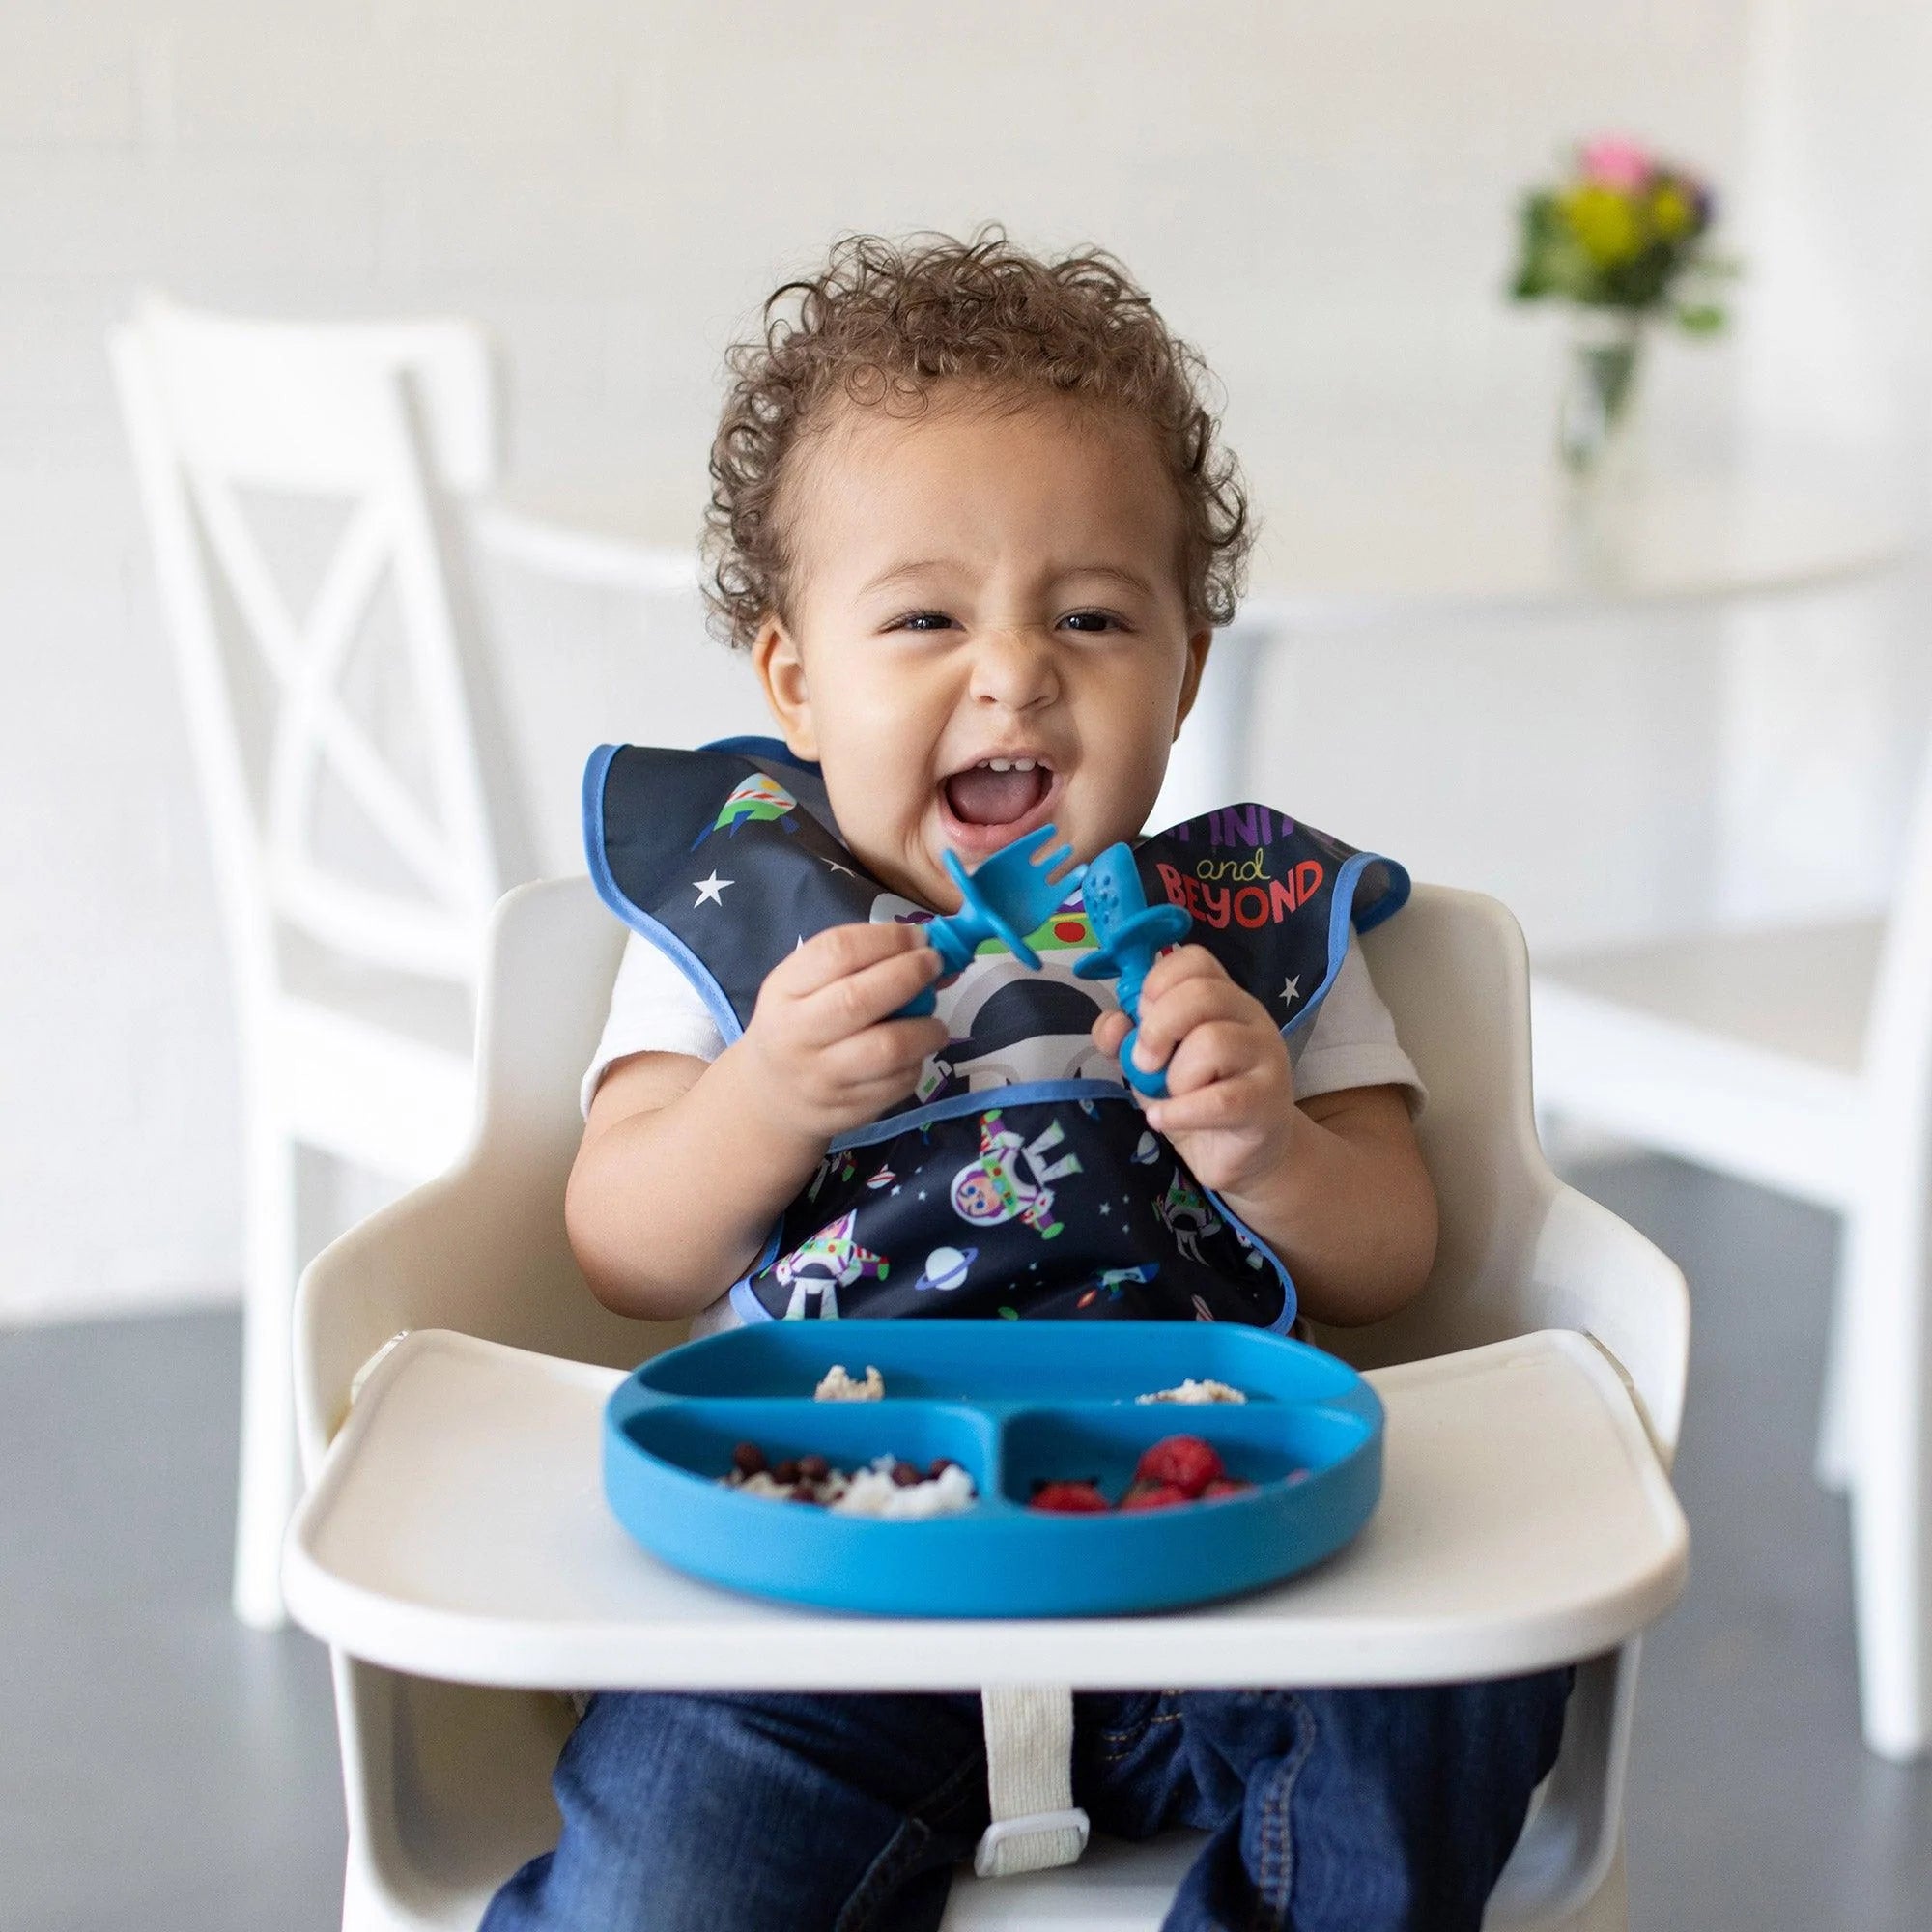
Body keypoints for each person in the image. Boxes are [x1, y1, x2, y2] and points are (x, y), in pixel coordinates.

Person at [483, 230, 1569, 1932]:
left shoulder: (1247, 931)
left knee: (1465, 1671)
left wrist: (1267, 1142)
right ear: (797, 681)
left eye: (1092, 616)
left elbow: (1389, 1256)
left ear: (1184, 670)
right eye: (926, 616)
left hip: (1209, 1555)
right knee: (662, 1871)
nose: (1013, 671)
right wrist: (765, 1097)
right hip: (827, 1583)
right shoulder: (738, 924)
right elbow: (622, 1247)